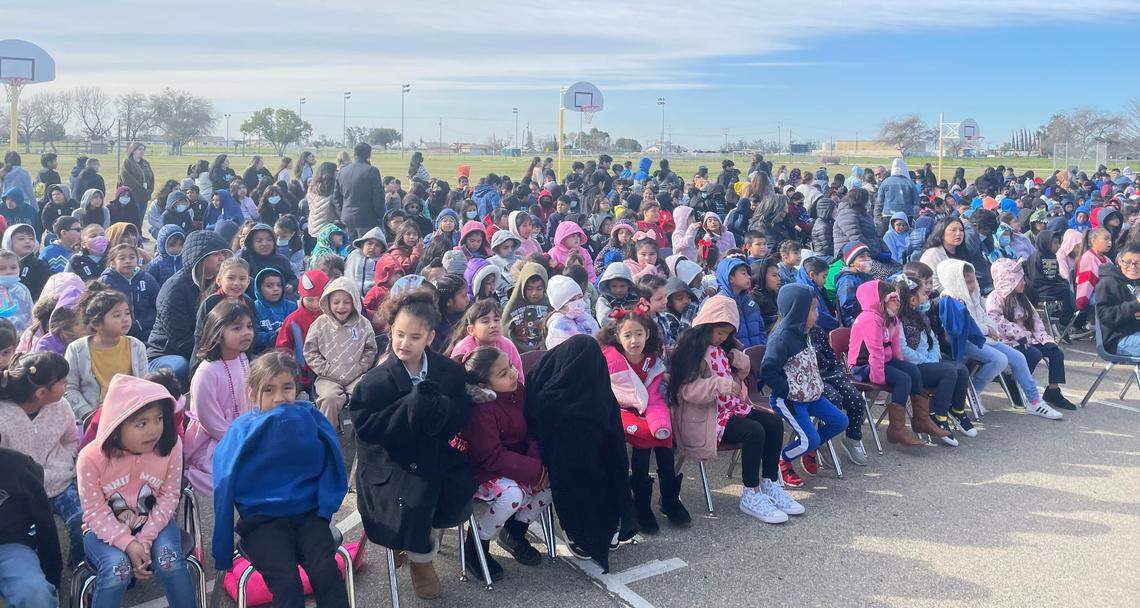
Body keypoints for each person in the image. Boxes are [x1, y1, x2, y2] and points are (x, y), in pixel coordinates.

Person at [350, 289, 475, 600]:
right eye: (399, 334)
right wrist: (411, 406)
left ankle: (413, 543)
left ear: (431, 336)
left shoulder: (448, 371)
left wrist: (441, 408)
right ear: (390, 330)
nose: (404, 343)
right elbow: (366, 430)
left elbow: (461, 410)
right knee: (416, 496)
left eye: (415, 337)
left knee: (459, 486)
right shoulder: (375, 380)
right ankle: (421, 559)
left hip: (433, 450)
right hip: (390, 458)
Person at [211, 352, 350, 608]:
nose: (279, 397)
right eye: (268, 390)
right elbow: (223, 482)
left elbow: (334, 463)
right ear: (252, 393)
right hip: (262, 521)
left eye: (287, 388)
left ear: (296, 388)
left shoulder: (310, 417)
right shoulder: (242, 430)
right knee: (287, 583)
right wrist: (222, 548)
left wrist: (325, 507)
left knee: (327, 573)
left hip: (308, 515)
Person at [669, 295, 800, 518]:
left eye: (727, 333)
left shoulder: (723, 349)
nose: (722, 338)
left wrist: (741, 364)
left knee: (774, 422)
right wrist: (719, 384)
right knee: (754, 431)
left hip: (730, 410)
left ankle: (769, 482)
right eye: (719, 332)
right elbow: (686, 391)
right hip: (705, 418)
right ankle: (750, 491)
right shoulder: (690, 350)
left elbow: (737, 382)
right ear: (705, 325)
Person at [76, 374, 197, 608]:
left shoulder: (170, 445)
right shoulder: (90, 458)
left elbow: (169, 496)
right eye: (141, 423)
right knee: (116, 570)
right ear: (116, 423)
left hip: (155, 524)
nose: (153, 430)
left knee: (169, 561)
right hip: (103, 530)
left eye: (159, 419)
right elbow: (95, 512)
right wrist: (128, 543)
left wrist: (145, 538)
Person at [524, 335, 631, 569]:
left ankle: (607, 523)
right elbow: (536, 428)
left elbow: (614, 439)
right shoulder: (548, 395)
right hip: (558, 459)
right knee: (576, 473)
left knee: (608, 467)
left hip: (597, 456)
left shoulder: (600, 393)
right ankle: (576, 529)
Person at [454, 346, 550, 578]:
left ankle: (515, 532)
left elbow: (532, 430)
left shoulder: (517, 391)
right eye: (503, 373)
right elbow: (490, 456)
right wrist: (533, 470)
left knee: (553, 479)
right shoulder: (480, 409)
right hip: (481, 470)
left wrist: (538, 467)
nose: (513, 373)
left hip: (517, 462)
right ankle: (477, 545)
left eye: (510, 366)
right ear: (484, 386)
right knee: (513, 495)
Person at [599, 305, 690, 533]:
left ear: (647, 334)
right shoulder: (612, 361)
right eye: (627, 335)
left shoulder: (651, 359)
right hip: (621, 411)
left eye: (638, 334)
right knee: (645, 438)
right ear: (618, 337)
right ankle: (641, 504)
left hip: (649, 407)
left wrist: (659, 417)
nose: (634, 340)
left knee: (664, 436)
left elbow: (654, 395)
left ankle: (669, 498)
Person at [936, 259, 1062, 419]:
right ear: (955, 281)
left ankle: (1034, 402)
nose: (972, 285)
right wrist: (987, 329)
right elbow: (966, 327)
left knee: (1019, 357)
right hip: (964, 342)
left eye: (973, 280)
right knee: (999, 360)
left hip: (983, 338)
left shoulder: (972, 295)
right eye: (967, 282)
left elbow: (983, 315)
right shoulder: (950, 300)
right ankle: (975, 390)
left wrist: (991, 328)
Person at [0, 352, 83, 566]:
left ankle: (80, 569)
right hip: (22, 492)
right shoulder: (3, 417)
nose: (67, 384)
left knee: (81, 521)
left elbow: (70, 439)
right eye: (62, 381)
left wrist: (65, 461)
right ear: (41, 392)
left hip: (60, 484)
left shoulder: (61, 406)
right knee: (33, 537)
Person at [761, 283, 849, 478]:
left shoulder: (805, 333)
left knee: (841, 421)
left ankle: (811, 447)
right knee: (809, 439)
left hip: (812, 396)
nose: (817, 314)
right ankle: (783, 459)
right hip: (789, 400)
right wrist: (787, 390)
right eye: (813, 309)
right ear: (798, 311)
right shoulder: (781, 339)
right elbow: (768, 371)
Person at [847, 280, 934, 446]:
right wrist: (878, 377)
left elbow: (895, 350)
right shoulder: (869, 319)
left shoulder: (891, 318)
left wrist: (901, 364)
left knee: (912, 371)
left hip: (882, 362)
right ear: (878, 300)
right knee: (903, 379)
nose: (897, 302)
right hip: (864, 366)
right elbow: (875, 351)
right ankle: (896, 429)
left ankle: (921, 419)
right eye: (892, 298)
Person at [986, 258, 1078, 410]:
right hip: (1007, 340)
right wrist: (1018, 334)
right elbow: (996, 322)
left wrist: (1045, 339)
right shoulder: (994, 298)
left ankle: (1053, 391)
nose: (1023, 283)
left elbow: (1035, 321)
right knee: (1033, 354)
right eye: (1019, 280)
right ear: (1008, 280)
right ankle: (1015, 382)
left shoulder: (1022, 298)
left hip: (1028, 338)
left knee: (1056, 352)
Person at [894, 274, 975, 446]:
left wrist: (933, 358)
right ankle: (939, 416)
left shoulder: (921, 316)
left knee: (961, 369)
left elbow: (934, 341)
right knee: (950, 372)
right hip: (914, 366)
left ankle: (957, 410)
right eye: (923, 294)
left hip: (928, 361)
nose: (927, 297)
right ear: (913, 300)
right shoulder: (899, 321)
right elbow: (903, 349)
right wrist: (926, 360)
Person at [183, 302, 254, 494]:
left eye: (249, 326)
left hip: (243, 432)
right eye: (237, 328)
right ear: (218, 332)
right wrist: (241, 441)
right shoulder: (206, 372)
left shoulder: (242, 359)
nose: (246, 332)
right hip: (213, 441)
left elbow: (250, 402)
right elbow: (210, 422)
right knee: (242, 476)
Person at [147, 231, 230, 383]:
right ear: (199, 257)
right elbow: (180, 341)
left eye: (223, 253)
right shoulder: (174, 289)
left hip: (207, 345)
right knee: (181, 367)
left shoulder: (219, 283)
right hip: (166, 353)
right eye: (215, 254)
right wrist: (217, 349)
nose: (221, 259)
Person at [65, 285, 148, 423]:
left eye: (127, 313)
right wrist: (88, 414)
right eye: (117, 315)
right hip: (93, 417)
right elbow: (69, 388)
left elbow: (144, 382)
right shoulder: (77, 349)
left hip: (130, 413)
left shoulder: (136, 346)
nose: (125, 319)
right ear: (97, 324)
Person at [304, 277, 378, 424]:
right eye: (336, 302)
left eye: (347, 302)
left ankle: (363, 433)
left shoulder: (363, 324)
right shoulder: (319, 324)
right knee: (329, 398)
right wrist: (325, 368)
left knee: (368, 392)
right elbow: (310, 351)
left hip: (356, 375)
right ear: (328, 303)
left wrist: (360, 367)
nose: (341, 306)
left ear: (354, 302)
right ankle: (328, 435)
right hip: (328, 377)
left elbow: (371, 349)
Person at [0, 446, 63, 608]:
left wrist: (52, 574)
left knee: (35, 592)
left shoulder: (17, 465)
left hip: (9, 545)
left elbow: (44, 521)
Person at [98, 244, 158, 341]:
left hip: (145, 330)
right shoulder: (106, 281)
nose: (128, 261)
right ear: (112, 263)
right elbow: (101, 311)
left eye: (132, 257)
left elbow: (157, 306)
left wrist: (141, 323)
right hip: (116, 332)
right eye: (122, 258)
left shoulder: (147, 279)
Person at [1095, 242, 1140, 355]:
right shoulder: (1107, 282)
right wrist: (1136, 304)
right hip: (1118, 338)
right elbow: (1105, 316)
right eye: (1128, 262)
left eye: (1138, 263)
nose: (1133, 267)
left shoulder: (1135, 281)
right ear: (1120, 261)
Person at [1025, 229, 1075, 328]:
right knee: (1066, 291)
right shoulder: (1036, 257)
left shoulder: (1052, 256)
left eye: (1058, 243)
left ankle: (1067, 319)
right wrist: (1054, 283)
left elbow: (1054, 275)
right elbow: (1036, 280)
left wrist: (1061, 281)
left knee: (1069, 286)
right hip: (1038, 289)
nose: (1058, 246)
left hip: (1050, 286)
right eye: (1055, 243)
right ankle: (1063, 323)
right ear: (1046, 243)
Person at [334, 143, 386, 240]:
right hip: (366, 219)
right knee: (366, 251)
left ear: (354, 154)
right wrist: (380, 214)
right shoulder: (372, 170)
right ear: (369, 155)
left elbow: (336, 197)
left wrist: (342, 212)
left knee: (349, 251)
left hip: (346, 218)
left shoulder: (342, 171)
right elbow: (378, 197)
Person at [715, 257, 766, 347]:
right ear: (730, 278)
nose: (749, 277)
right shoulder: (719, 303)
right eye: (744, 273)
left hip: (757, 356)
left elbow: (761, 330)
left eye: (748, 273)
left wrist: (763, 348)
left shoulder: (751, 302)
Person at [503, 262, 549, 353]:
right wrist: (525, 349)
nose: (534, 293)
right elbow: (505, 331)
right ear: (522, 287)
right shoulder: (513, 304)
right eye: (529, 288)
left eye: (539, 288)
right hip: (519, 353)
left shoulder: (550, 304)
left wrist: (544, 343)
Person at [545, 275, 600, 350]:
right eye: (572, 300)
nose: (578, 302)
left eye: (580, 297)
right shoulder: (558, 327)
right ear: (560, 304)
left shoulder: (585, 316)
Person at [252, 267, 296, 354]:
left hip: (289, 355)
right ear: (259, 288)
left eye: (279, 285)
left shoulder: (292, 306)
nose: (275, 289)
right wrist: (274, 335)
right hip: (263, 356)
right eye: (269, 286)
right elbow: (254, 336)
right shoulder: (254, 307)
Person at [4, 223, 50, 300]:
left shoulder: (39, 265)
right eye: (21, 238)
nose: (27, 241)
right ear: (9, 241)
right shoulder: (2, 262)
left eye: (31, 239)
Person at [1076, 227, 1113, 313]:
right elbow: (1087, 284)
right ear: (1093, 241)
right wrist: (1082, 302)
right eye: (1106, 239)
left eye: (1110, 239)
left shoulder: (1106, 259)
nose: (1110, 242)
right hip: (1091, 296)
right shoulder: (1088, 258)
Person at [345, 227, 386, 298]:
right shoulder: (354, 255)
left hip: (375, 298)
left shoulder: (384, 260)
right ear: (362, 245)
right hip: (352, 296)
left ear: (382, 250)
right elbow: (348, 276)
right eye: (370, 243)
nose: (373, 247)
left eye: (377, 245)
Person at [119, 142, 155, 208]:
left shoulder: (145, 163)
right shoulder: (127, 163)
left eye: (143, 149)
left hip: (144, 197)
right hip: (133, 197)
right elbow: (128, 180)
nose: (142, 151)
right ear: (133, 151)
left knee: (141, 218)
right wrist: (142, 190)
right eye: (140, 149)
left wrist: (149, 191)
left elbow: (151, 177)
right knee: (133, 218)